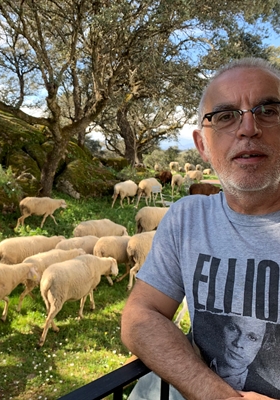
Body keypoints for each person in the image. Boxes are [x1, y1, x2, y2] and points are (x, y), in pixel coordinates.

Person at [121, 57, 280, 400]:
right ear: (202, 146)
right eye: (225, 116)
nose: (248, 128)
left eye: (268, 110)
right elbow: (140, 314)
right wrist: (214, 394)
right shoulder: (186, 218)